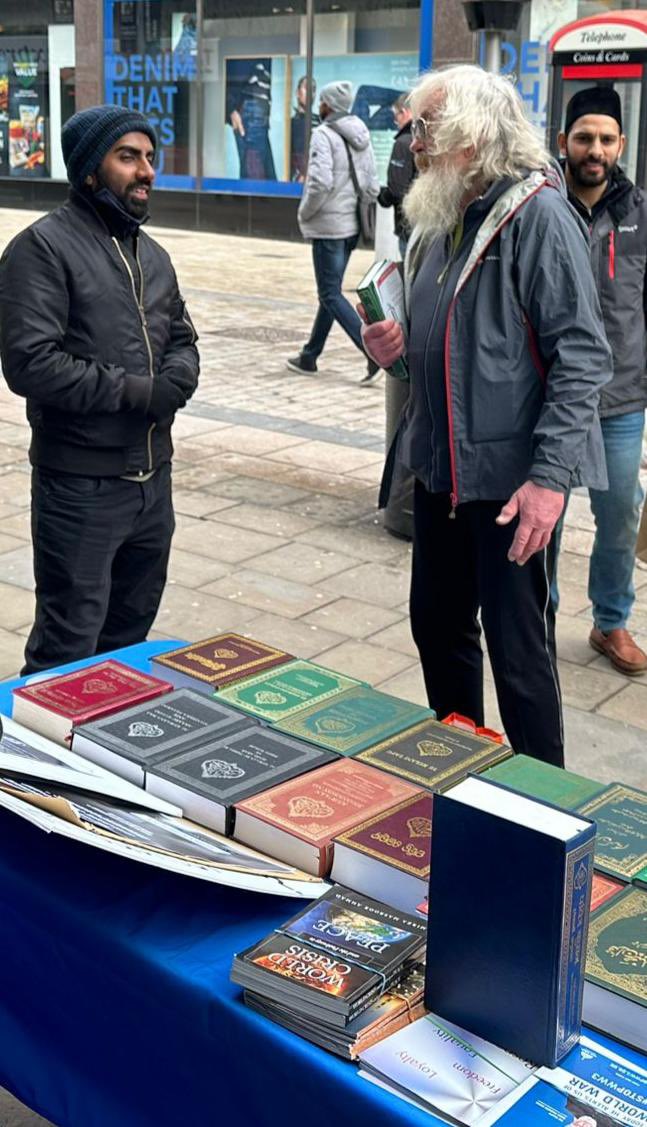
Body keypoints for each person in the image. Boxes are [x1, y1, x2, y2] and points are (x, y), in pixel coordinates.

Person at [363, 65, 612, 767]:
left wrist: (547, 480)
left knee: (517, 653)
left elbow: (583, 358)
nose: (411, 143)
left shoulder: (537, 216)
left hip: (510, 484)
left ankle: (545, 804)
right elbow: (448, 352)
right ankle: (458, 765)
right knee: (437, 627)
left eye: (424, 129)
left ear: (471, 137)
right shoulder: (443, 218)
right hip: (442, 471)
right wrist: (394, 348)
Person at [0, 104, 199, 674]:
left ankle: (105, 757)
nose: (146, 171)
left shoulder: (152, 255)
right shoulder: (41, 249)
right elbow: (30, 364)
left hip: (151, 486)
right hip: (81, 491)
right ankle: (31, 760)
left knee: (127, 649)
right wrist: (141, 392)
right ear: (90, 169)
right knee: (65, 651)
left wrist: (179, 377)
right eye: (128, 156)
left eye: (150, 158)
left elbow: (182, 336)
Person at [553, 87, 647, 675]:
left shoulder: (639, 212)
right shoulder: (540, 207)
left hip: (621, 396)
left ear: (621, 144)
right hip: (553, 397)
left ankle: (610, 621)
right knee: (544, 514)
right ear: (563, 142)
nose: (595, 149)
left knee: (620, 513)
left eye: (606, 139)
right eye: (584, 137)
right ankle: (537, 619)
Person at [286, 79, 379, 384]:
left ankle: (371, 350)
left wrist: (305, 212)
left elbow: (320, 182)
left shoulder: (323, 135)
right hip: (351, 225)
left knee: (329, 293)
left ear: (328, 105)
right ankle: (309, 356)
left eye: (321, 101)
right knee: (331, 292)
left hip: (328, 226)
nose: (318, 105)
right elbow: (370, 185)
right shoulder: (360, 133)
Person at [378, 92, 416, 260]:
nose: (396, 121)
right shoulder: (427, 138)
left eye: (396, 116)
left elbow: (397, 188)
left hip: (408, 223)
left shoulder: (403, 143)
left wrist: (383, 196)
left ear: (405, 112)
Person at [227, 59, 276, 181]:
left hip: (256, 106)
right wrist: (230, 108)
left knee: (263, 177)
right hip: (250, 105)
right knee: (255, 177)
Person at [290, 75, 319, 183]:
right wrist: (301, 175)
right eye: (307, 88)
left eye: (314, 90)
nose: (311, 93)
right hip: (300, 178)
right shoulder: (292, 123)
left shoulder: (321, 120)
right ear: (298, 93)